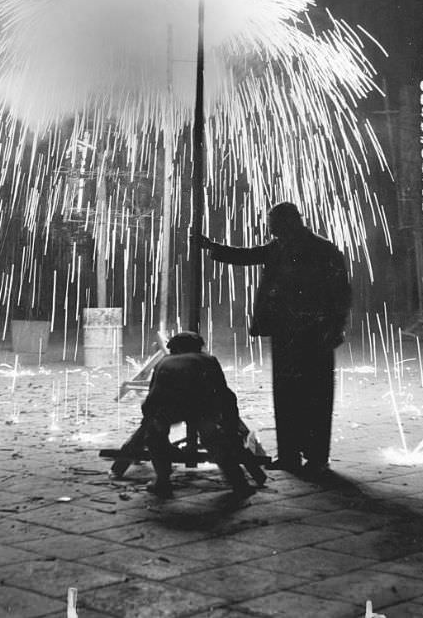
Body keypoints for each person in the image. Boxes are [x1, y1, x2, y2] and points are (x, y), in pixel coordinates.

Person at [199, 201, 351, 480]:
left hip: (315, 334)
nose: (271, 230)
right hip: (285, 331)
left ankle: (316, 457)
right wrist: (212, 248)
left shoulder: (323, 250)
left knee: (315, 396)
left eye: (274, 225)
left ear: (289, 222)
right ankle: (289, 454)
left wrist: (335, 326)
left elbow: (341, 292)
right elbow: (249, 255)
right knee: (286, 394)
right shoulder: (279, 246)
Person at [132, 331, 255, 499]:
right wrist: (230, 426)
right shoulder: (209, 360)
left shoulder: (164, 362)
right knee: (214, 440)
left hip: (171, 409)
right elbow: (224, 393)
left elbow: (153, 397)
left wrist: (149, 421)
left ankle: (163, 481)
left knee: (154, 437)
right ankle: (239, 484)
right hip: (202, 407)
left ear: (174, 348)